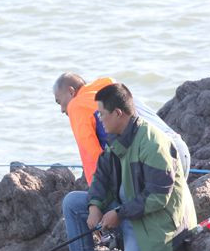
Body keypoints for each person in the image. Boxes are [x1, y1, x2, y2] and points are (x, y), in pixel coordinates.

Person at [59, 83, 196, 251]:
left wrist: (119, 214)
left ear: (118, 113)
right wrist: (95, 205)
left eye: (102, 115)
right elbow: (101, 175)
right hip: (131, 213)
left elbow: (158, 196)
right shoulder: (116, 137)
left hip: (157, 224)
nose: (99, 120)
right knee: (73, 204)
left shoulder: (153, 144)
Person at [52, 72, 190, 184]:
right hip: (180, 149)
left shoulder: (77, 105)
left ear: (71, 91)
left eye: (59, 102)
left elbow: (93, 158)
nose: (62, 110)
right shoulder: (112, 86)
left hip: (157, 158)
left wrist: (96, 200)